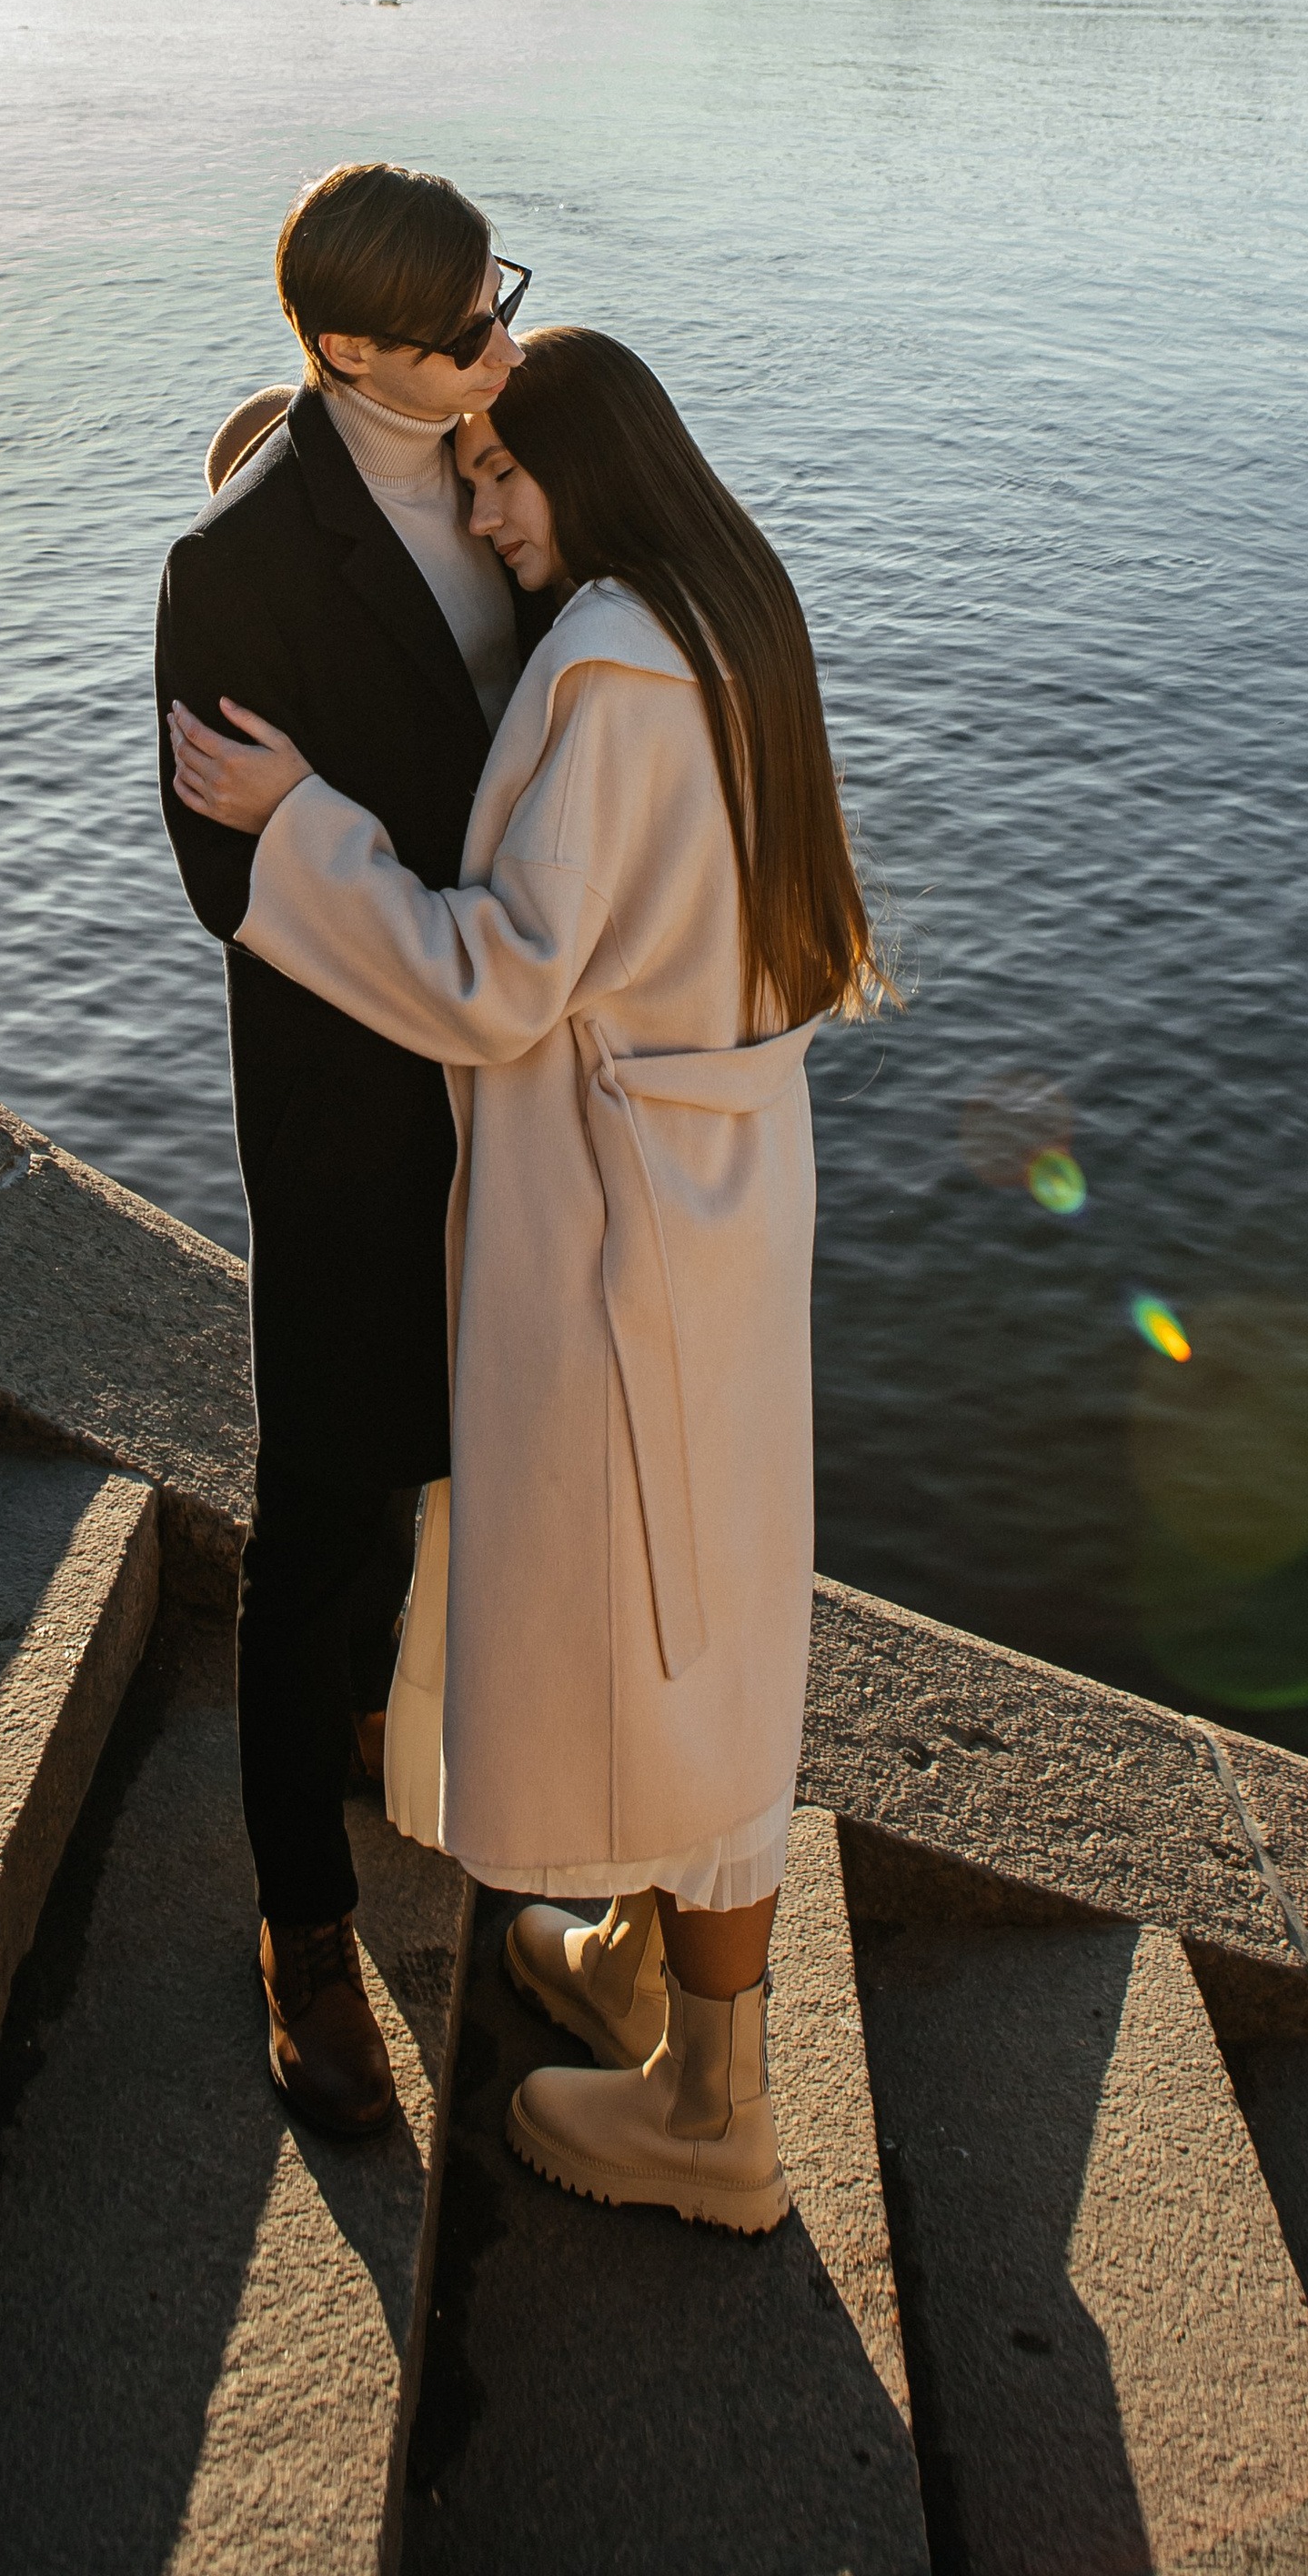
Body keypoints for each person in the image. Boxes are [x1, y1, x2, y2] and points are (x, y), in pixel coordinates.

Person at [169, 327, 887, 2233]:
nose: (482, 514)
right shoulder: (728, 617)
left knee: (664, 1626)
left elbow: (497, 978)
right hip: (722, 1185)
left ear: (598, 464)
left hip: (612, 1220)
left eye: (501, 474)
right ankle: (651, 1972)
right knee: (703, 1604)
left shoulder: (607, 674)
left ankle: (713, 2117)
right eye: (461, 475)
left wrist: (297, 829)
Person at [155, 161, 548, 2140]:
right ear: (343, 354)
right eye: (465, 327)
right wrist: (389, 888)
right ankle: (303, 1931)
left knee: (503, 1476)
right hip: (351, 1108)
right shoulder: (233, 563)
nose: (503, 341)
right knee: (320, 1516)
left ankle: (478, 1792)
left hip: (534, 1079)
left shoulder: (522, 457)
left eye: (502, 297)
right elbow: (228, 876)